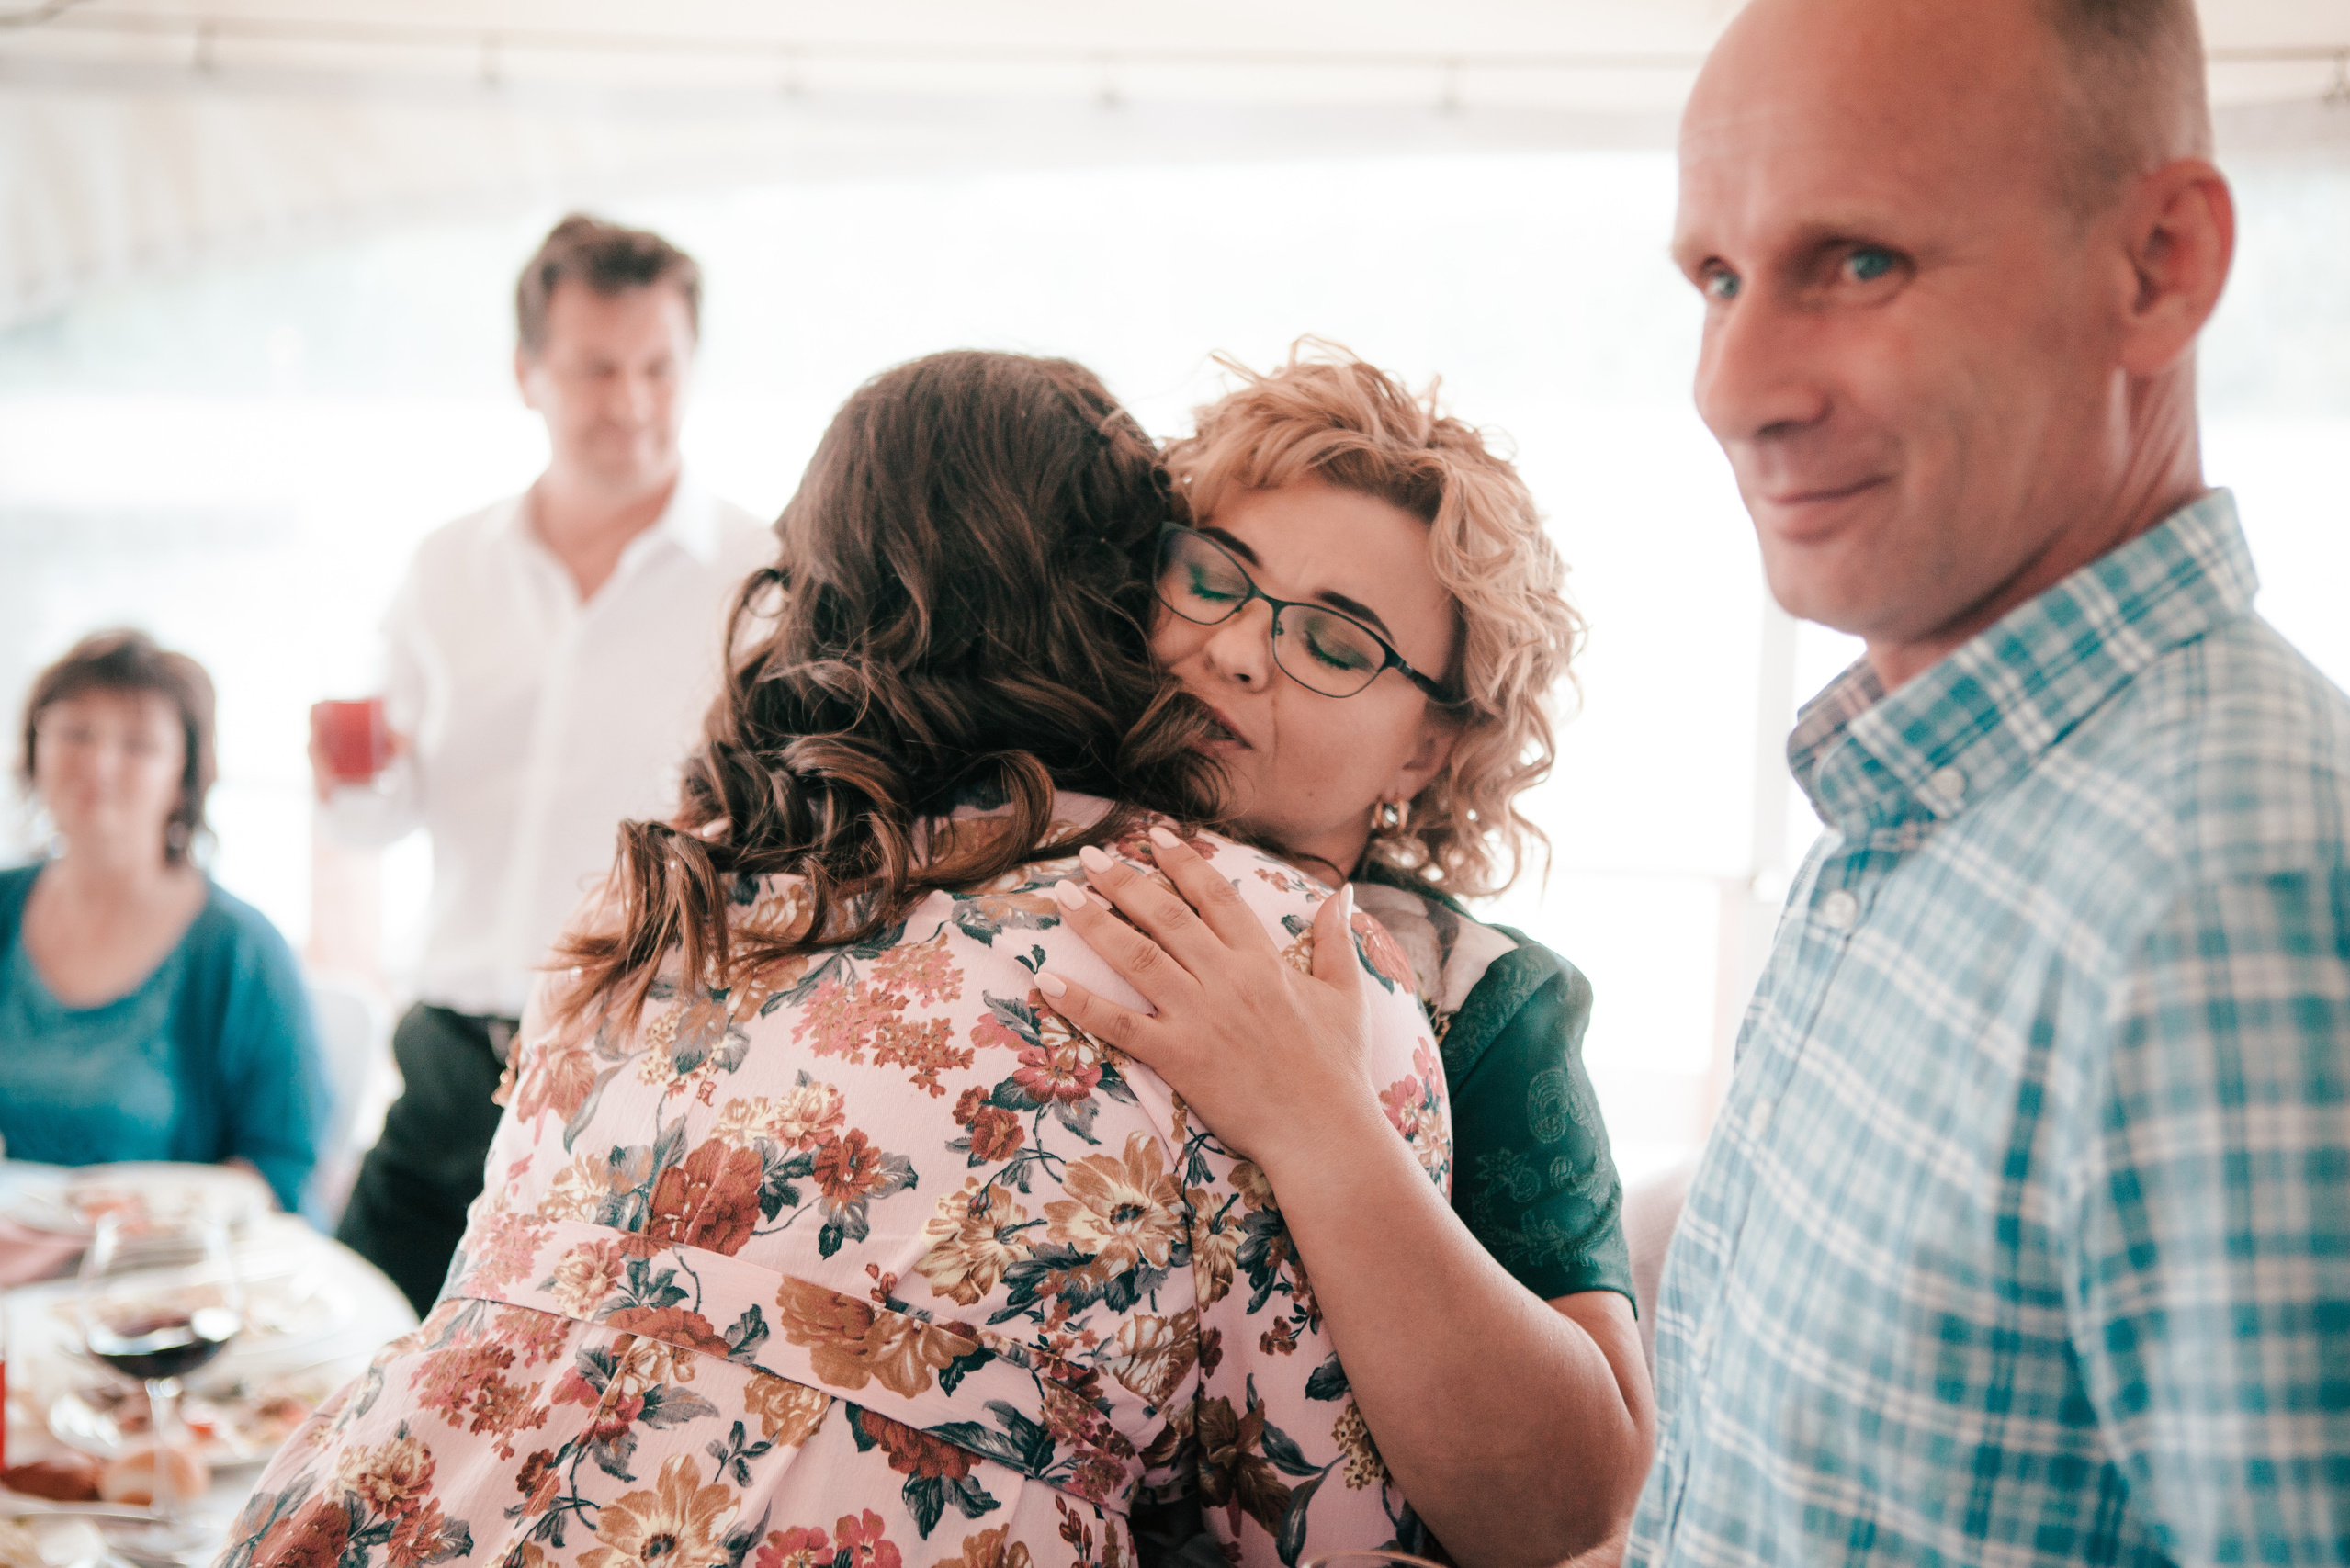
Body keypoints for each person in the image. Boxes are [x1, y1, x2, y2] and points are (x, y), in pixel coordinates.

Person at [223, 351, 1452, 1568]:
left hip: (380, 1502)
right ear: (1120, 604)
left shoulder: (653, 901)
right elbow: (1338, 1530)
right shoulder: (1258, 941)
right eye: (1202, 578)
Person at [1620, 0, 2348, 1562]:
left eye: (1859, 262)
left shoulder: (2237, 893)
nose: (1732, 387)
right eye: (1719, 277)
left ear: (2159, 265)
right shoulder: (1927, 790)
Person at [1032, 345, 1654, 1566]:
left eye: (1335, 642)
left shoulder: (1482, 998)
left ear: (1424, 749)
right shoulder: (974, 862)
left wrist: (1315, 1115)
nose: (1240, 650)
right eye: (1211, 578)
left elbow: (1580, 1501)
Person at [321, 214, 772, 1312]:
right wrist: (355, 779)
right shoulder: (445, 569)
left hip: (639, 1067)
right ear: (529, 373)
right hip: (449, 1058)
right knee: (341, 1353)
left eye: (658, 367)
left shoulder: (761, 581)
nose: (630, 401)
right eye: (595, 368)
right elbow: (378, 820)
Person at [1, 630, 323, 1213]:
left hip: (149, 1278)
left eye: (138, 744)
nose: (98, 763)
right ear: (32, 747)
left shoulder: (240, 951)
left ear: (185, 775)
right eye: (75, 733)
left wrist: (143, 1215)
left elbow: (282, 1174)